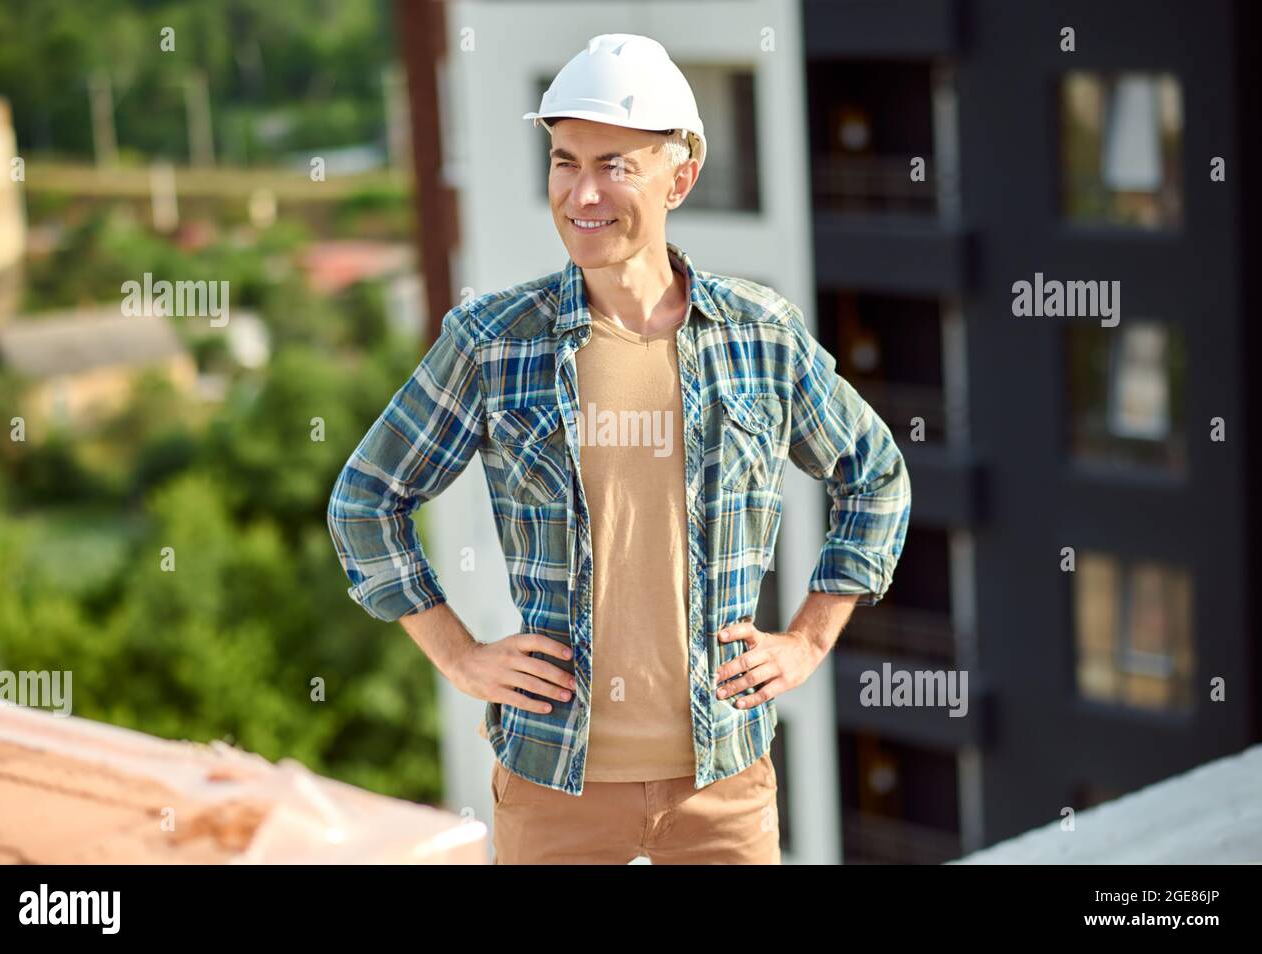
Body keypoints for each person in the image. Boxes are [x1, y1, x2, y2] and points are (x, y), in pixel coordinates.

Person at [326, 33, 912, 864]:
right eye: (565, 162)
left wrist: (810, 638)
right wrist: (458, 655)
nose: (582, 192)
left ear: (681, 176)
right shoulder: (494, 342)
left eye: (614, 164)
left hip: (725, 781)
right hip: (553, 783)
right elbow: (365, 501)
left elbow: (876, 475)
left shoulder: (761, 335)